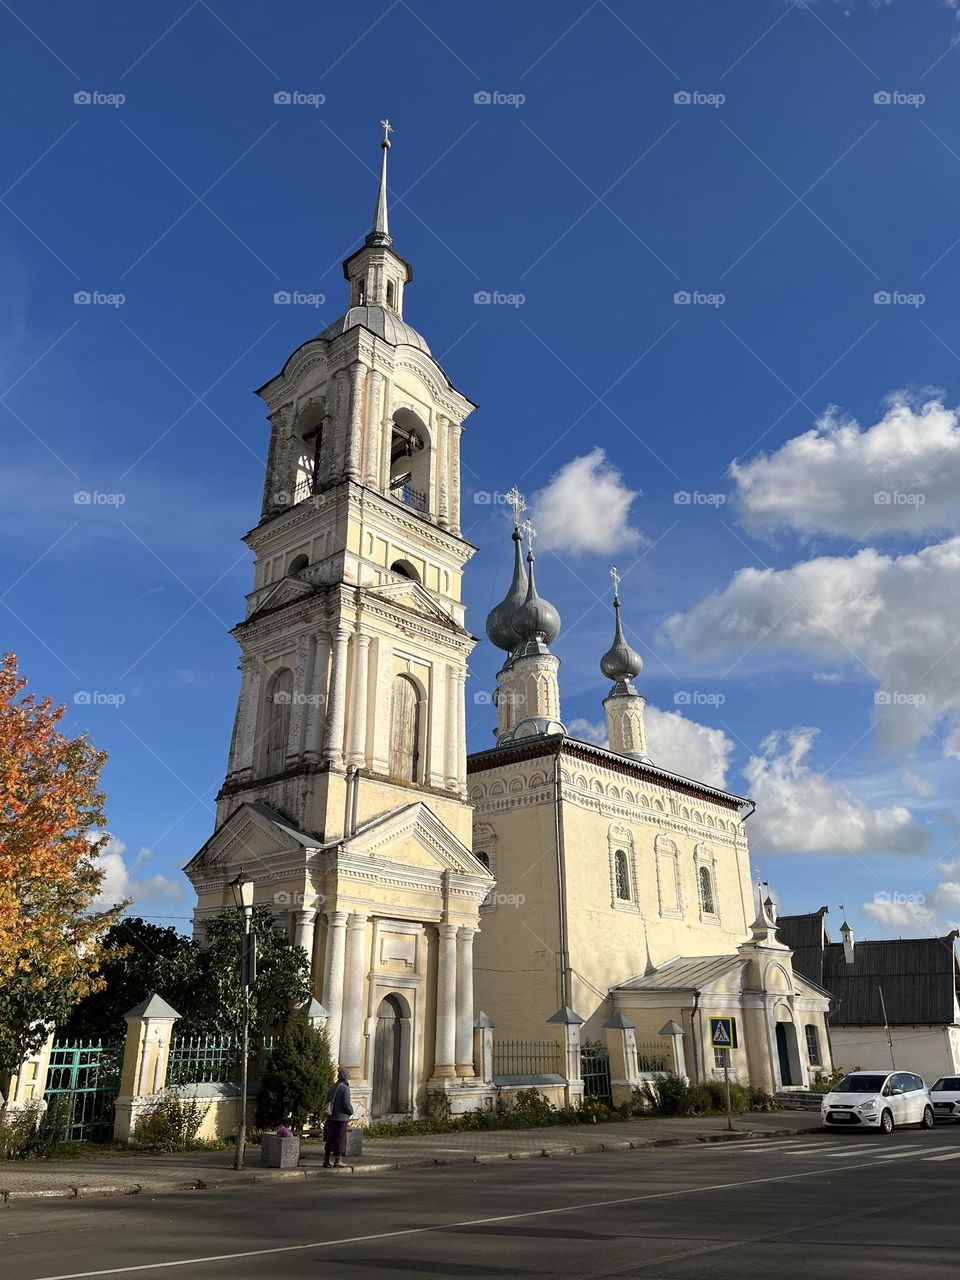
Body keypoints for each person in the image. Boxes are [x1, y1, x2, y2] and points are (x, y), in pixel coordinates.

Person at [323, 1068, 354, 1168]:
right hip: (341, 1119)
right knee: (340, 1139)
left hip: (331, 1117)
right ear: (345, 1077)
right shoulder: (345, 1088)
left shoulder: (332, 1087)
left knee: (330, 1138)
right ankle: (338, 1161)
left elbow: (327, 1101)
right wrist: (351, 1111)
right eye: (348, 1076)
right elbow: (346, 1104)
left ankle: (326, 1160)